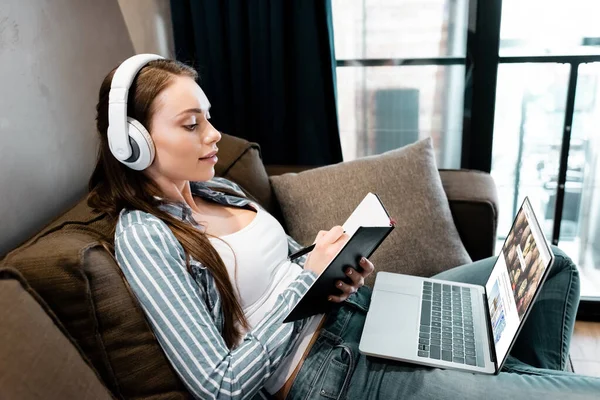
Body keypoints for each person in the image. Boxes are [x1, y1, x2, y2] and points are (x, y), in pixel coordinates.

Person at [88, 56, 600, 400]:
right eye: (190, 123)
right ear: (134, 141)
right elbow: (218, 386)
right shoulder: (145, 237)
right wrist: (303, 281)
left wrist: (334, 265)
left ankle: (515, 378)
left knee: (552, 267)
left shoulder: (217, 187)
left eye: (208, 117)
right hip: (328, 368)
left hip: (362, 310)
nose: (215, 134)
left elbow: (289, 266)